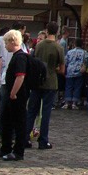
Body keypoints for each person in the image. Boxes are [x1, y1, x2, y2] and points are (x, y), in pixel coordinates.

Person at [26, 21, 64, 149]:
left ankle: (25, 137)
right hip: (51, 81)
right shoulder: (58, 47)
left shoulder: (39, 45)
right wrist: (54, 68)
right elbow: (62, 69)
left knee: (31, 110)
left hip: (37, 81)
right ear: (57, 32)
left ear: (47, 31)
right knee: (45, 113)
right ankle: (43, 140)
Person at [0, 29, 29, 161]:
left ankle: (18, 151)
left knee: (18, 123)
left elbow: (20, 76)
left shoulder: (20, 57)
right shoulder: (16, 56)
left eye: (6, 43)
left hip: (17, 96)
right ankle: (5, 147)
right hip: (11, 94)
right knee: (6, 121)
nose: (5, 46)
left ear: (12, 42)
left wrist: (13, 93)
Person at [64, 39, 87, 109]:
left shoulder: (69, 52)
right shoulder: (84, 52)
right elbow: (86, 61)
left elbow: (66, 61)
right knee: (77, 87)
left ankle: (67, 103)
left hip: (70, 71)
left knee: (68, 87)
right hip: (79, 71)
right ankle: (74, 103)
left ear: (75, 44)